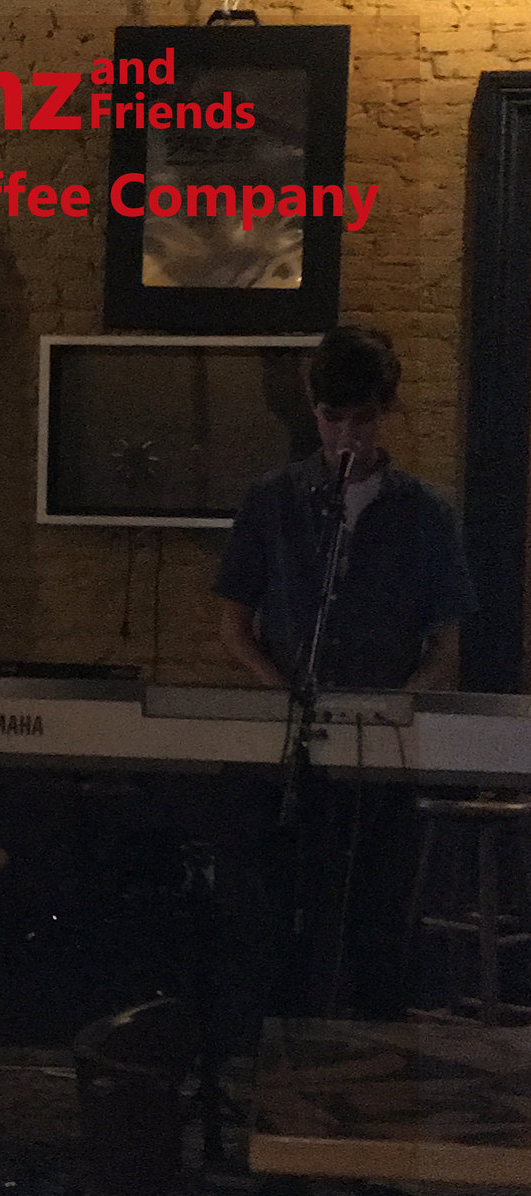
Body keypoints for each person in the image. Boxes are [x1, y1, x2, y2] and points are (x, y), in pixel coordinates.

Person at [208, 324, 477, 1032]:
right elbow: (234, 627)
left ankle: (375, 1063)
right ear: (314, 409)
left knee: (377, 923)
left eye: (362, 420)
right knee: (274, 923)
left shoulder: (427, 515)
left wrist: (397, 708)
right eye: (333, 419)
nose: (347, 438)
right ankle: (278, 1059)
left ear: (385, 412)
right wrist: (282, 695)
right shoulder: (273, 502)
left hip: (380, 757)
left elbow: (445, 647)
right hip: (286, 752)